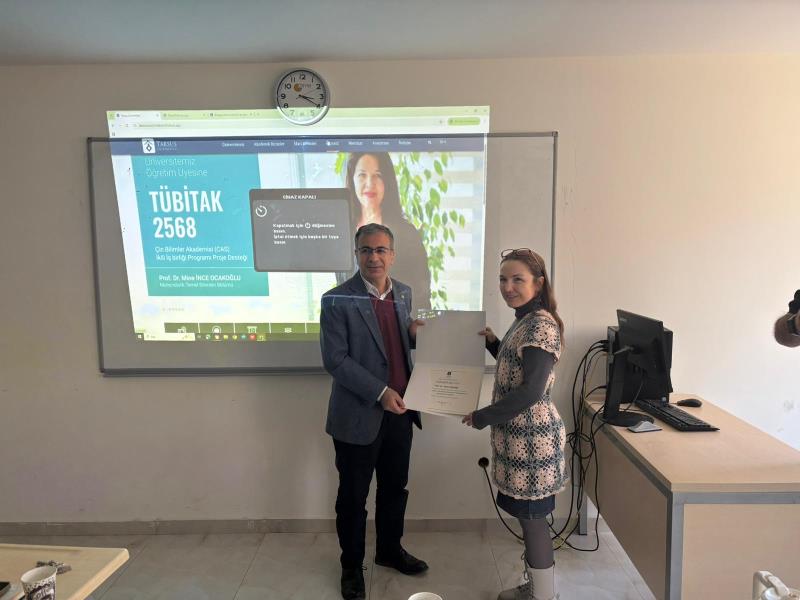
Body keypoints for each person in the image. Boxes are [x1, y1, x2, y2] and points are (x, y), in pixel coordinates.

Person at [320, 223, 429, 600]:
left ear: (392, 255)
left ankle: (389, 550)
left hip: (401, 411)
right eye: (366, 250)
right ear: (357, 255)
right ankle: (351, 566)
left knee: (395, 488)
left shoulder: (404, 293)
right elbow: (335, 360)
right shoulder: (335, 299)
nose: (374, 257)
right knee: (353, 498)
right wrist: (380, 392)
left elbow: (394, 346)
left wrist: (415, 336)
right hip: (357, 415)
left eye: (381, 250)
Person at [463, 248, 566, 600]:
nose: (508, 287)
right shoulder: (525, 320)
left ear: (538, 283)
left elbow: (531, 390)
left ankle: (543, 596)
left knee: (533, 523)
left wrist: (481, 417)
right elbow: (518, 366)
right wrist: (494, 342)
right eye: (503, 279)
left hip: (533, 444)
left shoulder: (539, 325)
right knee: (529, 520)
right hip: (520, 441)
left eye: (517, 279)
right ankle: (536, 588)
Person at [340, 152, 432, 311]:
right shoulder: (344, 233)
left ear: (387, 182)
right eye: (362, 175)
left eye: (378, 175)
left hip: (397, 324)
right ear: (352, 179)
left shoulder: (407, 235)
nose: (370, 183)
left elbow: (421, 296)